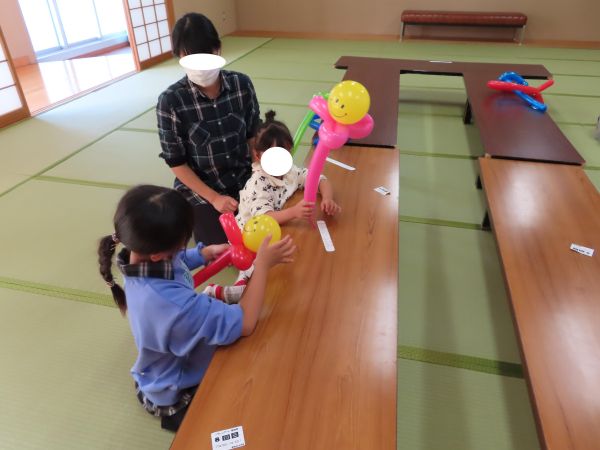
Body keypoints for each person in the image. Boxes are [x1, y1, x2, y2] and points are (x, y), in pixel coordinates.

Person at [97, 185, 295, 431]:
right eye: (182, 243)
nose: (183, 249)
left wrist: (203, 253)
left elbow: (176, 261)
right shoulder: (174, 305)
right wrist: (263, 265)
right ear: (159, 254)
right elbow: (245, 323)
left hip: (163, 360)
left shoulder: (135, 257)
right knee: (251, 410)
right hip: (174, 389)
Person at [157, 12, 260, 245]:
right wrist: (214, 198)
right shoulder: (171, 101)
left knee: (271, 231)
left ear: (218, 49)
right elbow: (177, 162)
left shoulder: (241, 84)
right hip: (202, 192)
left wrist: (260, 169)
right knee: (223, 250)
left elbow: (253, 134)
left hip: (245, 178)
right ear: (180, 57)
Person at [236, 110, 341, 229]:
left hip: (277, 229)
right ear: (257, 156)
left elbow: (318, 179)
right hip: (250, 238)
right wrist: (294, 212)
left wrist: (327, 199)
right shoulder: (257, 184)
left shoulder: (289, 171)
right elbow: (264, 219)